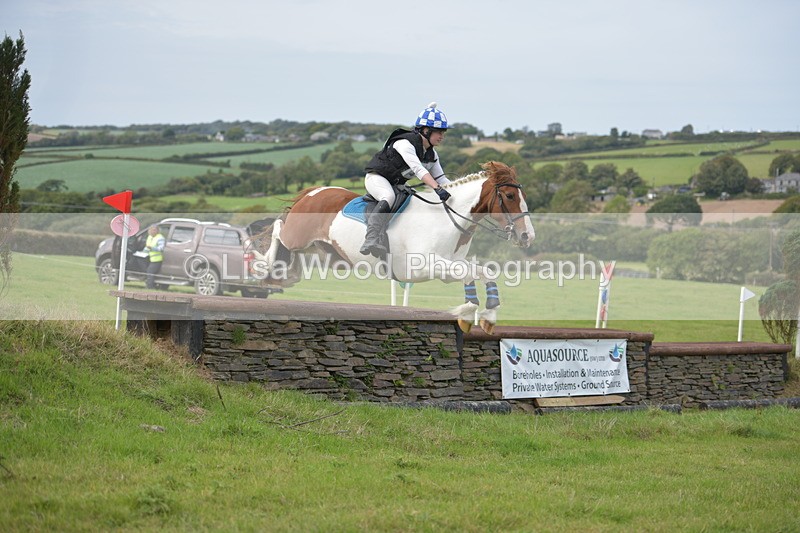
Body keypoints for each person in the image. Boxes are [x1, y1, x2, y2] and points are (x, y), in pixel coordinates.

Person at [360, 102, 453, 257]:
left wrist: (457, 193)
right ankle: (371, 239)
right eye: (439, 132)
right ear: (426, 130)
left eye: (443, 132)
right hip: (377, 178)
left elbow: (441, 178)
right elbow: (419, 170)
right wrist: (437, 189)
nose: (442, 136)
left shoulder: (432, 154)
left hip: (397, 185)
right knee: (388, 196)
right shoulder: (405, 143)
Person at [142, 225, 166, 289]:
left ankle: (150, 287)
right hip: (149, 257)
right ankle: (149, 283)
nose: (151, 231)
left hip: (157, 259)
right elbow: (147, 247)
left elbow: (161, 248)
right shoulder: (149, 237)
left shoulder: (160, 238)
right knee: (146, 269)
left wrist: (152, 248)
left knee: (150, 271)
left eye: (153, 230)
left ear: (157, 231)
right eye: (150, 230)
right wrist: (143, 252)